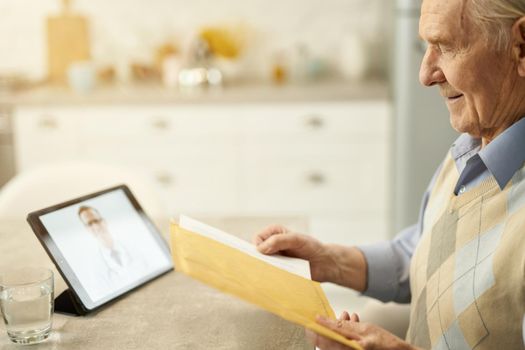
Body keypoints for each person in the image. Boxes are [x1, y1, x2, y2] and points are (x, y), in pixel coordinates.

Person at [254, 0, 525, 349]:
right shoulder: (474, 146)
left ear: (520, 47)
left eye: (446, 47)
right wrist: (330, 260)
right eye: (427, 46)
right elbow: (429, 251)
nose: (425, 74)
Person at [78, 205, 149, 293]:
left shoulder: (134, 246)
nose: (95, 226)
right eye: (90, 224)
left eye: (96, 221)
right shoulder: (95, 269)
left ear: (104, 221)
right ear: (87, 229)